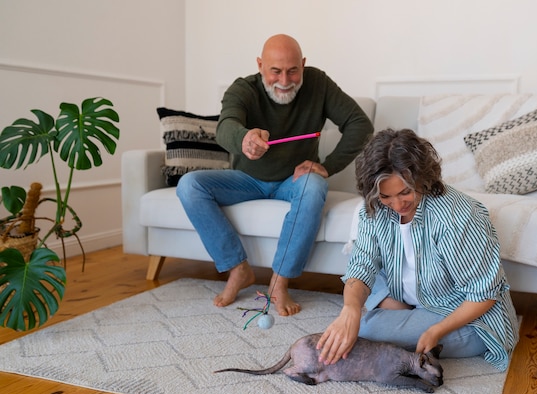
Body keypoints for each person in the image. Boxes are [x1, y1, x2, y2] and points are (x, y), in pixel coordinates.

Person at [176, 34, 374, 316]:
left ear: (303, 65)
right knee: (189, 185)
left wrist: (328, 165)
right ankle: (237, 269)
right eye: (275, 71)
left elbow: (360, 124)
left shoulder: (318, 83)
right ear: (260, 65)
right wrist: (244, 138)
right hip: (246, 180)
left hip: (293, 181)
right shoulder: (243, 89)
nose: (285, 79)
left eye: (293, 70)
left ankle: (279, 281)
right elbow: (225, 126)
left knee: (314, 186)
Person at [316, 128, 519, 371]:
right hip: (416, 293)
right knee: (360, 291)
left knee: (368, 329)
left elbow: (484, 294)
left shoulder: (459, 217)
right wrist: (350, 309)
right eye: (386, 196)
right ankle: (402, 309)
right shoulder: (373, 208)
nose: (397, 204)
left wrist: (436, 331)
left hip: (462, 312)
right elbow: (362, 264)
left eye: (405, 192)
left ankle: (403, 313)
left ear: (422, 178)